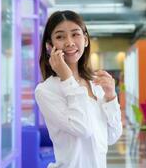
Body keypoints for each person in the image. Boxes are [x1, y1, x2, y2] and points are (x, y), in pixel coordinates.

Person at [35, 10, 123, 168]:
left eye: (75, 34)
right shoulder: (46, 90)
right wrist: (67, 78)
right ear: (50, 46)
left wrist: (111, 97)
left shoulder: (96, 84)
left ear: (86, 40)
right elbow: (82, 129)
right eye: (60, 37)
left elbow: (111, 137)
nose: (69, 42)